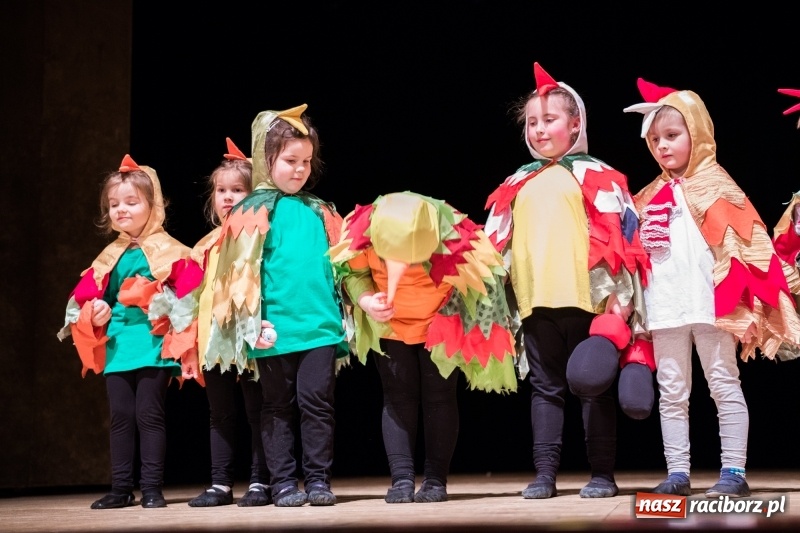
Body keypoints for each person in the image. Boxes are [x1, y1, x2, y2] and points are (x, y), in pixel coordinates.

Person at [624, 78, 800, 498]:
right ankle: (678, 472)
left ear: (697, 133)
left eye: (672, 135)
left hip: (711, 306)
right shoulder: (646, 197)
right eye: (655, 139)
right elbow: (631, 258)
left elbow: (749, 243)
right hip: (665, 306)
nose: (663, 146)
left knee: (723, 382)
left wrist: (749, 301)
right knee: (672, 391)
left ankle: (733, 472)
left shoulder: (719, 185)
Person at [483, 62, 651, 499]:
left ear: (575, 124)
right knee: (545, 390)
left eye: (550, 120)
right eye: (533, 123)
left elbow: (625, 238)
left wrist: (622, 295)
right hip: (535, 302)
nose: (540, 130)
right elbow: (494, 246)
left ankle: (601, 474)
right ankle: (545, 473)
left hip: (589, 301)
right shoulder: (516, 182)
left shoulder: (600, 176)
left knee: (593, 390)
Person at [328, 191, 518, 503]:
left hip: (441, 319)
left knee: (439, 397)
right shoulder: (362, 228)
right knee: (398, 397)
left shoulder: (456, 234)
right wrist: (366, 300)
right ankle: (401, 479)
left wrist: (455, 318)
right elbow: (353, 272)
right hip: (390, 322)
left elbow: (484, 280)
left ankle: (435, 480)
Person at [209, 104, 349, 507]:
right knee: (276, 406)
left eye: (306, 161)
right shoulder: (249, 211)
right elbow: (236, 274)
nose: (300, 169)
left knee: (317, 404)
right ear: (265, 160)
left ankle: (319, 479)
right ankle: (284, 482)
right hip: (273, 329)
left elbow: (343, 266)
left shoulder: (321, 210)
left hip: (320, 326)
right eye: (290, 161)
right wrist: (251, 322)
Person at [57, 155, 194, 509]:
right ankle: (120, 488)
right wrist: (97, 310)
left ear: (154, 205)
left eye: (131, 202)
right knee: (120, 416)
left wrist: (161, 298)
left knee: (149, 414)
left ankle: (151, 488)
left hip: (152, 340)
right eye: (114, 204)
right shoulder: (109, 255)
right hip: (118, 342)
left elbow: (191, 291)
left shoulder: (170, 250)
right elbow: (83, 299)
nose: (121, 210)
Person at [178, 138, 272, 507]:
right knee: (220, 412)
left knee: (257, 409)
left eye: (238, 189)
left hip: (250, 336)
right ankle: (220, 483)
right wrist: (187, 343)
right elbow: (187, 297)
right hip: (214, 337)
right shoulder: (204, 245)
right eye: (221, 190)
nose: (228, 197)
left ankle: (260, 481)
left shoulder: (259, 237)